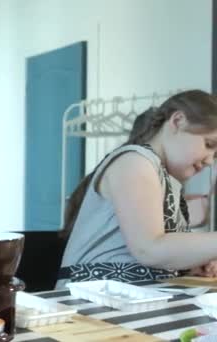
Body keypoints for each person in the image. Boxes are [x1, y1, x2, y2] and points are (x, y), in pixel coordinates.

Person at [57, 89, 217, 288]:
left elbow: (156, 253)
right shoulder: (135, 162)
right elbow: (149, 249)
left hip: (128, 295)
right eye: (209, 144)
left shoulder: (167, 180)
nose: (210, 160)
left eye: (216, 155)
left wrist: (190, 263)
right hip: (88, 295)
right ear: (178, 121)